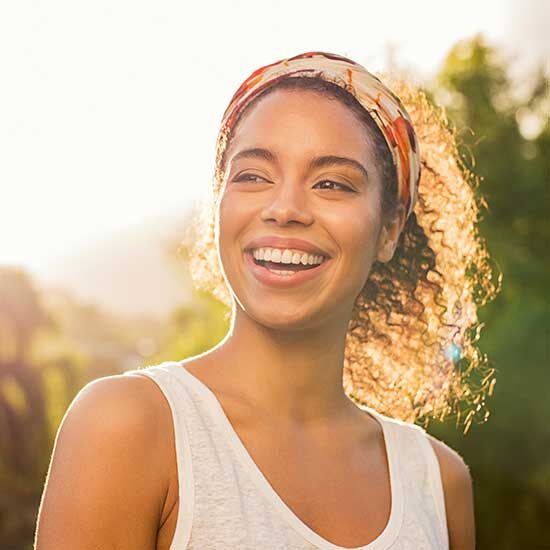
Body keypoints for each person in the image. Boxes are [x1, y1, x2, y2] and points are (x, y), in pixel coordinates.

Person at [35, 51, 499, 550]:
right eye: (253, 176)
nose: (285, 209)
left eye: (331, 183)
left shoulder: (438, 484)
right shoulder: (127, 427)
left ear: (389, 228)